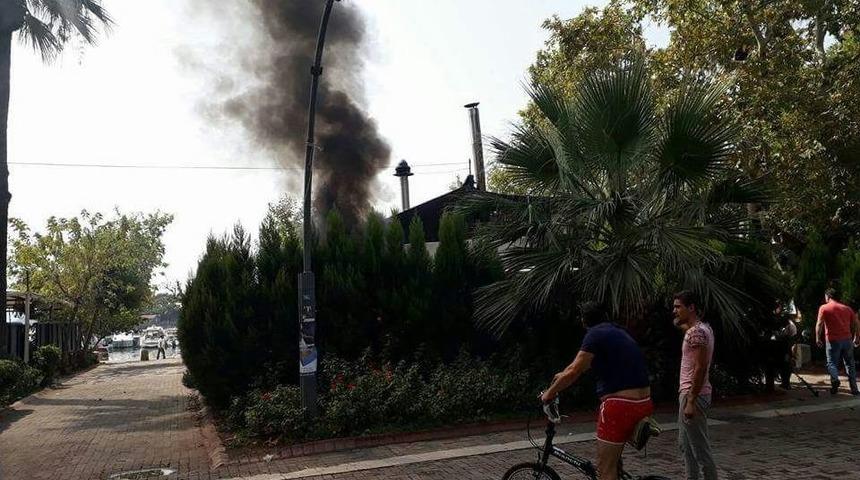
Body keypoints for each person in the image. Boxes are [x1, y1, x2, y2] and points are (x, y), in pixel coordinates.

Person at [540, 302, 652, 480]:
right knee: (614, 461)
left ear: (584, 321)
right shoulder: (616, 332)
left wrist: (549, 393)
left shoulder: (594, 334)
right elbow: (578, 365)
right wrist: (561, 376)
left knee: (605, 469)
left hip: (620, 406)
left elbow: (574, 371)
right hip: (643, 402)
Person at [672, 290, 717, 480]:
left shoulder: (697, 332)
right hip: (691, 394)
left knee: (700, 450)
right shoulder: (699, 330)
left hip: (694, 394)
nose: (674, 311)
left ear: (691, 308)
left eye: (678, 307)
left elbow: (700, 367)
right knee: (686, 446)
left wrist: (691, 400)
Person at [815, 288, 859, 395]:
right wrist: (857, 337)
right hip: (847, 340)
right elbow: (856, 323)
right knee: (850, 364)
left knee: (831, 363)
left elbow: (819, 324)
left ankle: (835, 381)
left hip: (832, 340)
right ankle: (854, 389)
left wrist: (817, 338)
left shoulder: (824, 308)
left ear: (828, 296)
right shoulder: (847, 309)